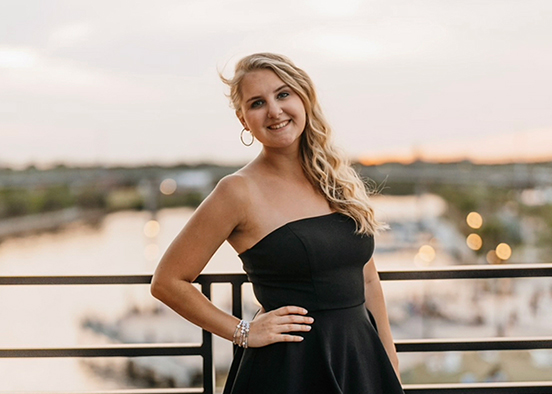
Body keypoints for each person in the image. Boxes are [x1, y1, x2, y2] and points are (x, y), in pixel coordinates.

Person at [151, 53, 404, 394]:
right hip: (289, 371)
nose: (274, 110)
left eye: (283, 94)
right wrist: (244, 331)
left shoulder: (337, 180)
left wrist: (388, 357)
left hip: (361, 360)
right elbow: (167, 282)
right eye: (257, 103)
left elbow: (368, 278)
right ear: (244, 120)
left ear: (303, 98)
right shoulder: (236, 191)